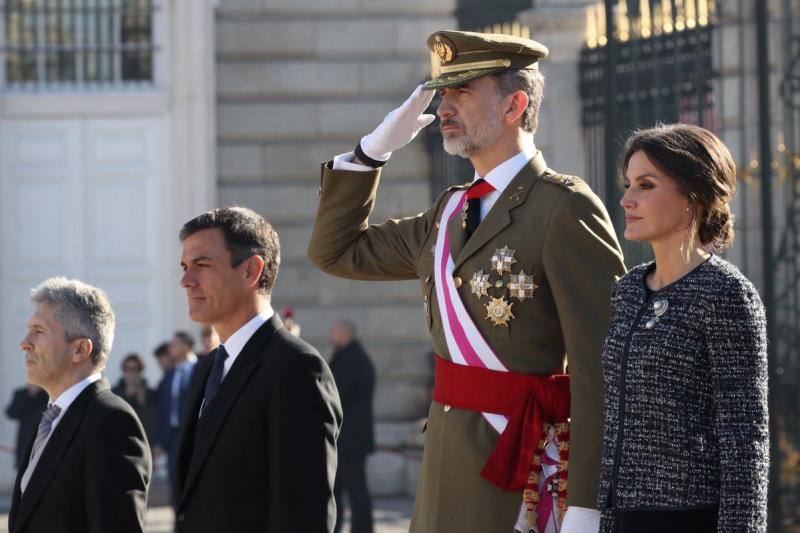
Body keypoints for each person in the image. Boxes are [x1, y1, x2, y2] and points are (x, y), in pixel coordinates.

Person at [308, 30, 626, 533]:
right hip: (447, 463)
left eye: (462, 91)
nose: (444, 107)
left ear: (514, 104)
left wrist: (586, 504)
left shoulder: (563, 207)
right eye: (444, 92)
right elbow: (336, 251)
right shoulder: (450, 211)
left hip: (521, 469)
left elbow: (602, 367)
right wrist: (369, 155)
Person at [597, 124, 769, 532]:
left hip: (690, 519)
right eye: (628, 184)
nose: (626, 199)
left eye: (646, 185)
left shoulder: (726, 294)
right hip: (623, 516)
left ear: (693, 196)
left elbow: (745, 436)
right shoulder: (627, 291)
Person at [172, 207, 343, 532]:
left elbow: (304, 513)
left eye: (202, 265)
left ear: (251, 271)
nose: (185, 281)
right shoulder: (208, 366)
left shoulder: (297, 369)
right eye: (184, 267)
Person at [9, 277, 151, 533]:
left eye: (39, 331)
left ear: (80, 350)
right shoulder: (52, 418)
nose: (24, 342)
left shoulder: (111, 421)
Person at [329, 320, 376, 533]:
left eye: (335, 333)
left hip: (349, 440)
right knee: (338, 491)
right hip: (349, 439)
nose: (332, 338)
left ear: (345, 335)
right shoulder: (355, 357)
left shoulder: (351, 360)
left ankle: (361, 529)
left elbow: (334, 393)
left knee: (354, 491)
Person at [154, 330, 198, 502]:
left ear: (186, 347)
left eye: (175, 344)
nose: (171, 348)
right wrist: (159, 441)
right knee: (175, 482)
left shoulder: (199, 368)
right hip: (172, 438)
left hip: (193, 435)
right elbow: (163, 409)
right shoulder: (170, 375)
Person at [112, 353, 157, 445]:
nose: (132, 374)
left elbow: (155, 422)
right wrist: (126, 396)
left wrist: (143, 403)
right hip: (119, 441)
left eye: (136, 370)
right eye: (129, 369)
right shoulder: (114, 393)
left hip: (143, 443)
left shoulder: (150, 394)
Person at [5, 385, 48, 469]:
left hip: (44, 438)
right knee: (23, 471)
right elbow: (11, 413)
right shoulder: (22, 393)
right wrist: (30, 395)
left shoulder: (49, 394)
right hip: (25, 441)